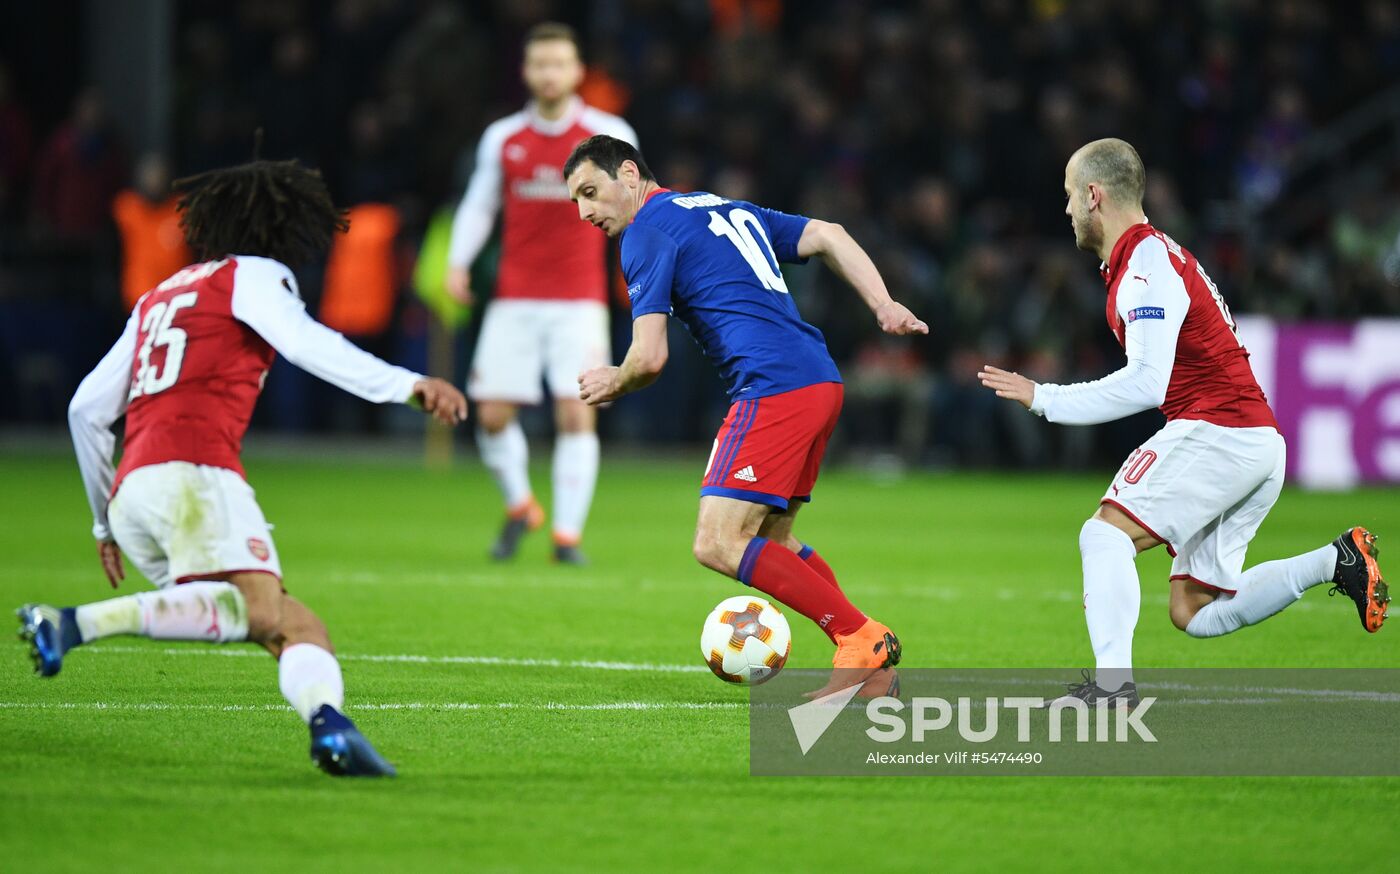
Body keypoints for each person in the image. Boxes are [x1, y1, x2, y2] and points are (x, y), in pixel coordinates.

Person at [16, 158, 468, 777]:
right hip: (194, 478)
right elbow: (305, 342)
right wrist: (407, 384)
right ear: (284, 228)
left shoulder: (161, 294)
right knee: (257, 611)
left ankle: (331, 728)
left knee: (292, 624)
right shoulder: (254, 276)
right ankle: (71, 623)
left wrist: (104, 524)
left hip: (134, 495)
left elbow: (86, 409)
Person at [978, 138, 1389, 707]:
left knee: (1103, 535)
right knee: (1194, 611)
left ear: (1095, 195)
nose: (1066, 209)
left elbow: (1147, 382)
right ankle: (1334, 560)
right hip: (1254, 439)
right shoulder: (1150, 257)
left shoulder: (1145, 266)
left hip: (1219, 429)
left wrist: (1045, 398)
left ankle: (1112, 690)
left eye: (1071, 195)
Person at [564, 134, 928, 698]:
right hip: (819, 379)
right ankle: (870, 671)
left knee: (716, 541)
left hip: (772, 387)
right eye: (575, 202)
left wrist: (615, 378)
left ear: (630, 175)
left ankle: (861, 636)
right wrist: (882, 303)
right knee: (773, 540)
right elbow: (829, 234)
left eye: (591, 192)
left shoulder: (645, 233)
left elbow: (650, 356)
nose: (586, 211)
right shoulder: (722, 208)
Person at [446, 22, 637, 565]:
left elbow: (638, 205)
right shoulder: (503, 137)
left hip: (580, 301)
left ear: (578, 72)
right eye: (539, 64)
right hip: (514, 299)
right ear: (526, 72)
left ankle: (567, 538)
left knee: (577, 414)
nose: (549, 74)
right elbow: (481, 204)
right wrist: (458, 262)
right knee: (491, 416)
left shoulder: (608, 135)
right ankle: (521, 506)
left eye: (559, 64)